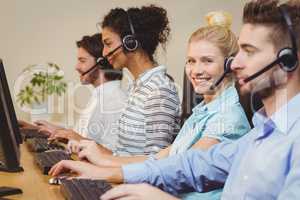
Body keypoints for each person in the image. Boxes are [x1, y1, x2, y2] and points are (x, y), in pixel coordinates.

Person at [52, 0, 300, 199]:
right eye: (191, 60)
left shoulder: (289, 140)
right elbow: (189, 165)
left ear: (288, 59)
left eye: (249, 51)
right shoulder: (261, 133)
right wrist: (103, 172)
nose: (234, 63)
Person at [95, 5, 181, 156]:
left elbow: (155, 164)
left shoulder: (159, 90)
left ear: (130, 42)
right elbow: (124, 154)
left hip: (134, 179)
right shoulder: (136, 87)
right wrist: (90, 149)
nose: (104, 52)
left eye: (108, 43)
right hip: (121, 175)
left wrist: (100, 164)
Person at [20, 33, 126, 152]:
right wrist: (49, 130)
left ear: (101, 63)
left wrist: (74, 137)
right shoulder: (101, 94)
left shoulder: (114, 101)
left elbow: (114, 155)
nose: (76, 67)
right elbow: (84, 135)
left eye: (82, 61)